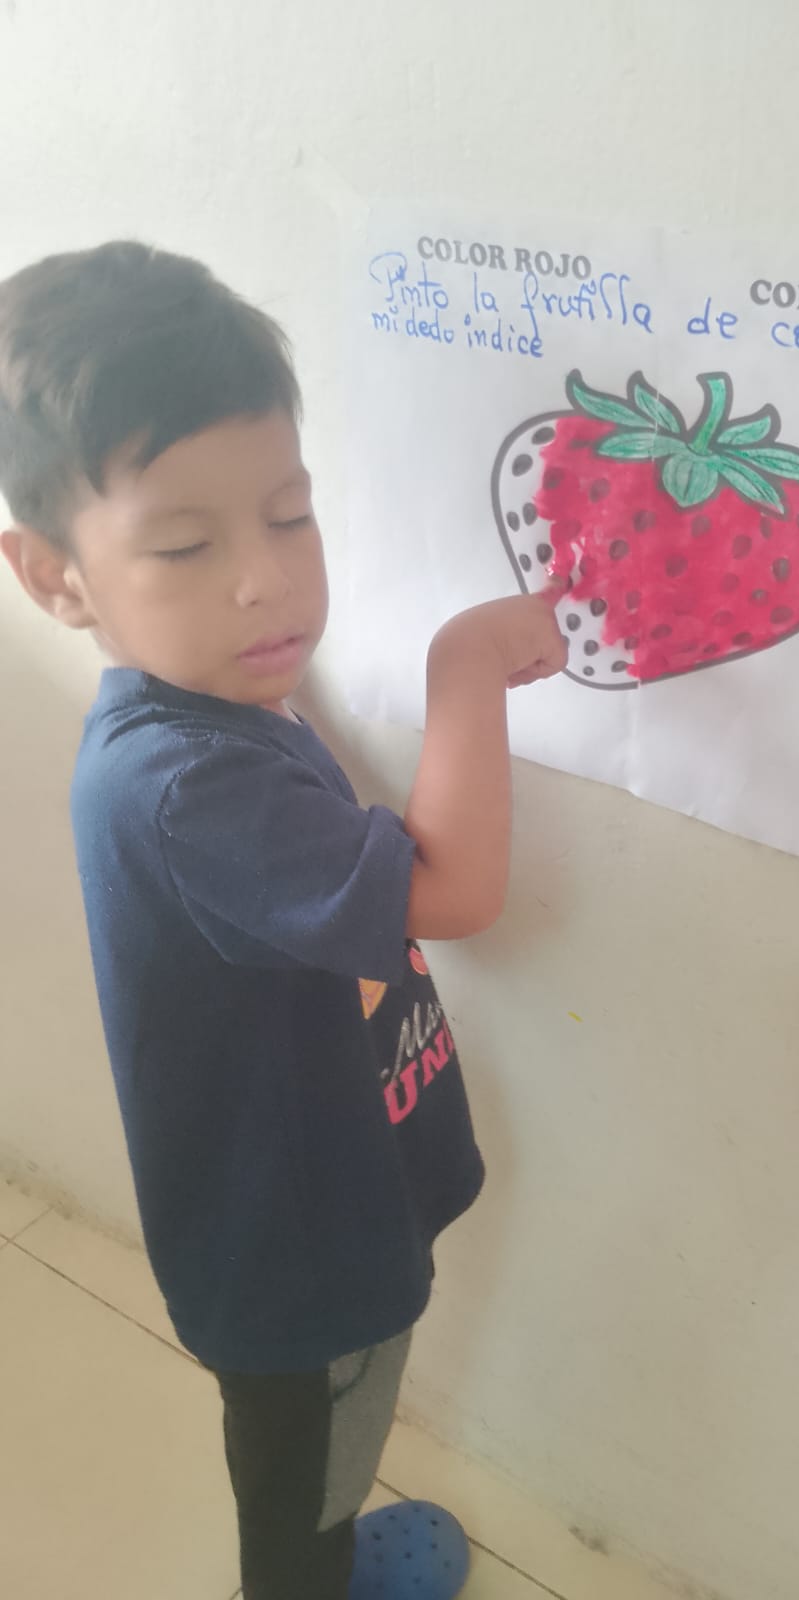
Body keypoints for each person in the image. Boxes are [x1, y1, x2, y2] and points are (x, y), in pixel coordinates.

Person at [0, 240, 567, 1600]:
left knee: (310, 1458)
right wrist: (466, 663)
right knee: (307, 1474)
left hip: (314, 1182)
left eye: (290, 515)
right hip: (299, 1261)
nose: (265, 580)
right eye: (186, 544)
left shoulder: (203, 705)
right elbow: (458, 891)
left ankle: (321, 1550)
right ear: (56, 577)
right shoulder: (188, 781)